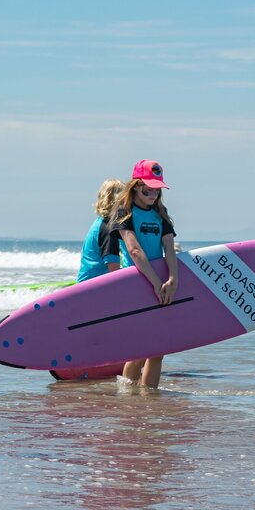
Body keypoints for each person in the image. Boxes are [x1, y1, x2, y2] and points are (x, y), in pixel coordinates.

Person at [112, 159, 177, 388]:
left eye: (156, 188)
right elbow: (135, 250)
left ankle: (150, 401)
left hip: (160, 284)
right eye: (147, 188)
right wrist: (157, 282)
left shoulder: (161, 214)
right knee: (140, 349)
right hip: (136, 283)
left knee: (159, 350)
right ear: (135, 186)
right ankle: (127, 397)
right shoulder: (124, 212)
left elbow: (169, 249)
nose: (152, 193)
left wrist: (172, 280)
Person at [76, 179, 124, 283]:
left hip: (86, 282)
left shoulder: (99, 222)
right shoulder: (108, 228)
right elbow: (114, 271)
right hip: (93, 287)